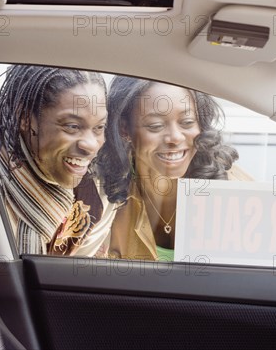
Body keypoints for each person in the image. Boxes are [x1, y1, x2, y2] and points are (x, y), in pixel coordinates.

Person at [97, 76, 246, 261]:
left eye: (187, 123)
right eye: (155, 126)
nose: (175, 138)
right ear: (124, 128)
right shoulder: (103, 195)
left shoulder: (236, 189)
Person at [0, 64, 113, 256]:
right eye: (72, 126)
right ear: (26, 118)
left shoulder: (94, 191)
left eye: (99, 127)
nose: (91, 145)